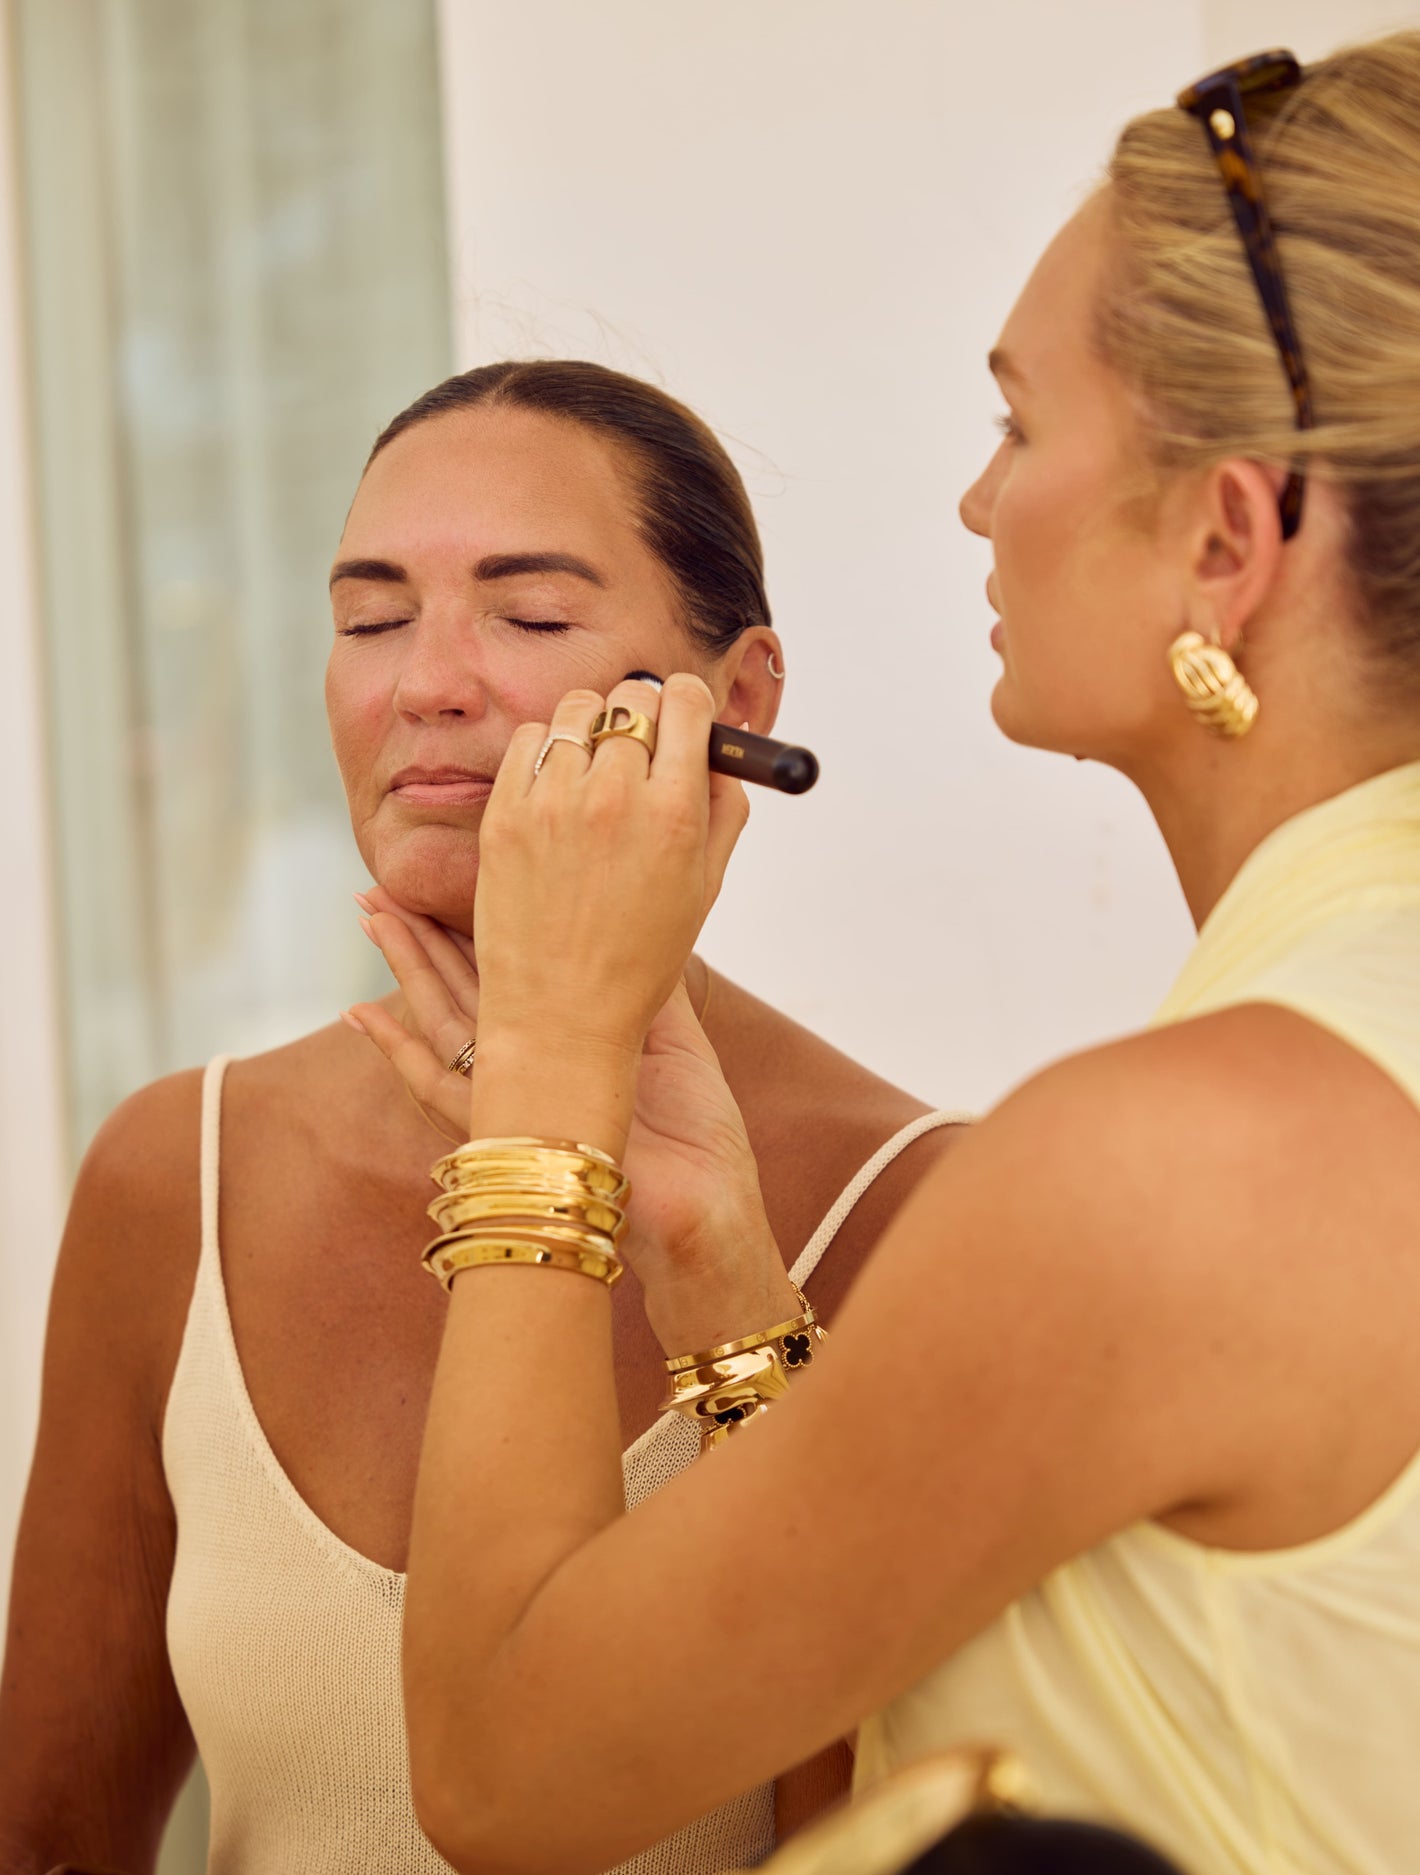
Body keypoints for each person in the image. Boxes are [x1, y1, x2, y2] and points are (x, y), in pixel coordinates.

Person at [353, 34, 1420, 1875]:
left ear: (1230, 542)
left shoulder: (1172, 1164)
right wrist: (713, 1264)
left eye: (1018, 424)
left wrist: (542, 1072)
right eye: (374, 614)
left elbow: (505, 1776)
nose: (977, 505)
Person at [0, 366, 964, 1875]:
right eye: (369, 619)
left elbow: (891, 1830)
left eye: (530, 617)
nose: (426, 683)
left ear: (736, 706)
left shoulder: (918, 1207)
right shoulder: (180, 1172)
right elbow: (44, 1835)